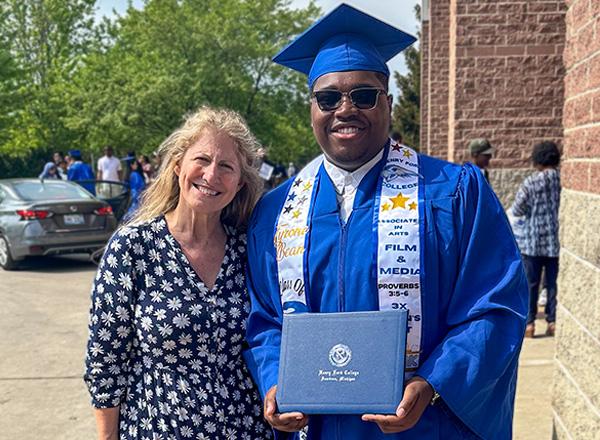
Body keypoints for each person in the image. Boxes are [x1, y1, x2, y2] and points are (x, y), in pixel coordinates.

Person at [243, 4, 528, 439]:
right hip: (315, 428)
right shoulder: (276, 211)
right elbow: (263, 319)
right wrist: (274, 382)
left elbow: (495, 307)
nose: (345, 109)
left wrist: (434, 382)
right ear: (311, 109)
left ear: (388, 102)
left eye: (363, 95)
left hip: (420, 427)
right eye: (328, 98)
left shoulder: (453, 193)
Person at [84, 106, 272, 440]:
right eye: (201, 159)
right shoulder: (133, 247)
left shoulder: (249, 249)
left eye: (226, 166)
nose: (211, 175)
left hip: (245, 429)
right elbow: (105, 360)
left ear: (240, 183)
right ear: (177, 165)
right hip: (157, 427)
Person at [510, 141, 561, 338]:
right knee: (553, 283)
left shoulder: (531, 182)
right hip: (556, 243)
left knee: (531, 285)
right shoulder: (562, 180)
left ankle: (530, 324)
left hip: (532, 243)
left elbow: (517, 209)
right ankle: (552, 321)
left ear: (537, 159)